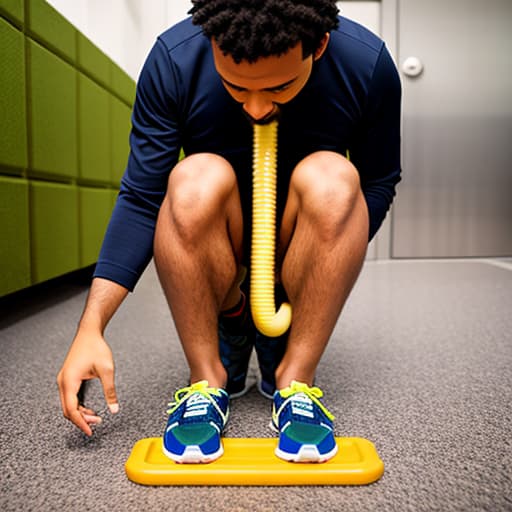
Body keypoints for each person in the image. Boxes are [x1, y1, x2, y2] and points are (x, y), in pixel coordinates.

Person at [57, 0, 401, 464]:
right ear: (212, 44)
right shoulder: (174, 59)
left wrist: (319, 271)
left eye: (279, 86)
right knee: (192, 177)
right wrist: (91, 326)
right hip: (223, 242)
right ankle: (208, 375)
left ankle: (296, 378)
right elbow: (141, 196)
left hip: (299, 234)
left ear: (319, 46)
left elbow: (377, 181)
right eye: (236, 86)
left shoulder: (368, 64)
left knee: (335, 178)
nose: (257, 109)